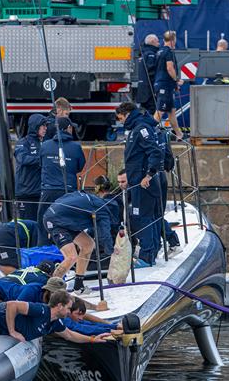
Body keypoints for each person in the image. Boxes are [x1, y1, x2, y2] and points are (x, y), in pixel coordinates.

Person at [0, 292, 109, 365]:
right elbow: (12, 305)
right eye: (69, 307)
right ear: (60, 306)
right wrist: (12, 331)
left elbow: (71, 336)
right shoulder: (41, 310)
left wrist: (93, 339)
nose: (70, 311)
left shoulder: (55, 323)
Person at [115, 102, 164, 267]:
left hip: (143, 184)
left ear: (127, 113)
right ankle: (152, 253)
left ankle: (147, 256)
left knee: (143, 218)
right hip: (137, 182)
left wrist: (148, 175)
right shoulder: (137, 128)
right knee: (149, 217)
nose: (120, 122)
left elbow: (155, 152)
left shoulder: (141, 128)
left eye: (121, 118)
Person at [43, 190, 114, 292]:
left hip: (66, 220)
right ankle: (50, 290)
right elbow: (105, 234)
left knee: (88, 244)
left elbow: (68, 195)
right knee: (71, 257)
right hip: (56, 221)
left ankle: (78, 285)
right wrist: (111, 252)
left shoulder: (88, 196)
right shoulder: (103, 211)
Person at [37, 116, 86, 243]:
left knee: (43, 224)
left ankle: (43, 254)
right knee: (68, 224)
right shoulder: (76, 147)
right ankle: (69, 252)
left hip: (48, 191)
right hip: (67, 191)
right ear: (69, 128)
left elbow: (41, 163)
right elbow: (79, 167)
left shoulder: (45, 146)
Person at [14, 113, 46, 221]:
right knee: (28, 224)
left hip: (41, 192)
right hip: (26, 193)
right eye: (43, 126)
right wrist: (42, 159)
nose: (45, 128)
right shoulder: (23, 143)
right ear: (35, 126)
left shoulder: (45, 144)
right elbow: (22, 159)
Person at [153, 30, 184, 141]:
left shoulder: (159, 51)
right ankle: (148, 132)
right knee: (160, 110)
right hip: (164, 85)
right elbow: (169, 68)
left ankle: (179, 134)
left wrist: (173, 84)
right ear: (173, 40)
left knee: (171, 111)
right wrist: (177, 80)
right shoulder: (168, 52)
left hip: (163, 84)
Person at [136, 34, 160, 114]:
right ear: (152, 42)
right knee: (152, 110)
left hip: (143, 90)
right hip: (149, 90)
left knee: (145, 111)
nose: (159, 44)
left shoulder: (143, 54)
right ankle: (148, 126)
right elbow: (151, 71)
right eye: (157, 41)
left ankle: (145, 125)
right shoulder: (151, 54)